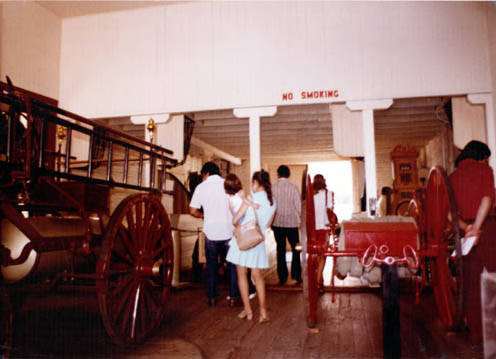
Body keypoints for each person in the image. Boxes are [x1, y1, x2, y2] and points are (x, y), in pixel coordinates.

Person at [449, 140, 495, 345]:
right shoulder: (485, 170)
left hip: (466, 236)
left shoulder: (452, 177)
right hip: (487, 229)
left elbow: (449, 214)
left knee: (470, 284)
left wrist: (467, 228)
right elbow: (487, 198)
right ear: (482, 156)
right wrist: (477, 226)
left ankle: (477, 333)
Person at [226, 170, 276, 323]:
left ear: (255, 183)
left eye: (252, 183)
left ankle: (248, 312)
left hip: (243, 242)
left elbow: (235, 220)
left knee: (242, 276)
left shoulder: (250, 198)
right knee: (258, 277)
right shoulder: (273, 201)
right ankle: (263, 313)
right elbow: (267, 224)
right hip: (257, 241)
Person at [189, 162, 238, 306]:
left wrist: (203, 216)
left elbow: (192, 210)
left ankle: (211, 297)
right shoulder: (227, 185)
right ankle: (234, 297)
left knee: (211, 266)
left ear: (206, 173)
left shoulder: (201, 187)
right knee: (232, 266)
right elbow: (237, 208)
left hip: (210, 233)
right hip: (229, 232)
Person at [224, 174, 257, 302]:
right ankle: (245, 291)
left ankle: (246, 291)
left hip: (239, 229)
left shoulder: (231, 197)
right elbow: (248, 205)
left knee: (239, 264)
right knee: (240, 264)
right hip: (242, 229)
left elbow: (237, 212)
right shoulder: (239, 194)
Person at [272, 165, 302, 285]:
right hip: (291, 224)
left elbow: (271, 206)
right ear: (288, 174)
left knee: (280, 250)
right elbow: (299, 206)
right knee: (296, 249)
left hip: (277, 223)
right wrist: (302, 220)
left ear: (278, 174)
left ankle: (282, 277)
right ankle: (296, 275)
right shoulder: (293, 187)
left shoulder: (273, 188)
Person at [312, 174, 334, 293]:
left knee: (314, 255)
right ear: (324, 181)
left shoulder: (310, 194)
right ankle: (317, 282)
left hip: (312, 229)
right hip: (324, 228)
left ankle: (319, 281)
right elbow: (330, 209)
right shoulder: (327, 193)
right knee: (323, 255)